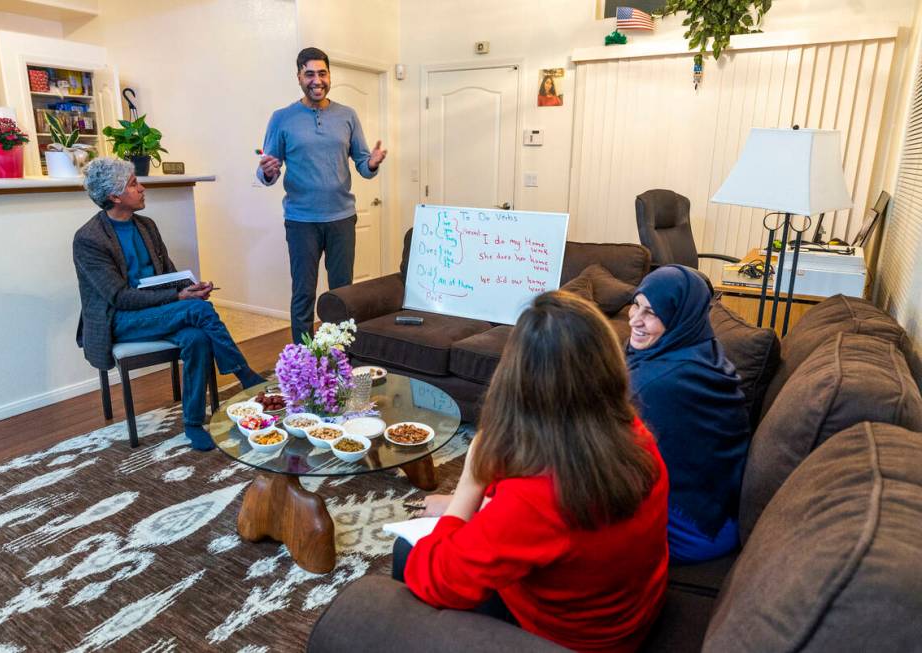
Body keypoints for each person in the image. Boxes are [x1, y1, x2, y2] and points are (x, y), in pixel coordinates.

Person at [395, 291, 669, 652]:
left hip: (573, 640)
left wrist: (469, 485)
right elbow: (539, 525)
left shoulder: (538, 497)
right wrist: (474, 508)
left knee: (408, 554)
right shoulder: (634, 434)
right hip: (631, 613)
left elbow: (436, 579)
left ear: (516, 378)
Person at [73, 157, 266, 451]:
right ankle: (244, 375)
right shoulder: (89, 239)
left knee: (198, 336)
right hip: (121, 319)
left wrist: (189, 287)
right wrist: (180, 298)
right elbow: (119, 297)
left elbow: (168, 275)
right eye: (134, 184)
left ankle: (192, 423)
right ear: (114, 196)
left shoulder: (146, 226)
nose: (142, 188)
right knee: (197, 310)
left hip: (157, 312)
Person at [257, 46, 388, 343]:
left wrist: (371, 163)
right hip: (301, 221)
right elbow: (268, 172)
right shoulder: (282, 118)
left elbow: (363, 165)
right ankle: (304, 360)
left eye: (322, 73)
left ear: (330, 75)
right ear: (299, 77)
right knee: (303, 292)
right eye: (309, 74)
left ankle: (340, 354)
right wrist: (268, 170)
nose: (317, 80)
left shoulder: (347, 115)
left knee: (343, 293)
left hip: (342, 218)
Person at [626, 265, 751, 563]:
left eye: (652, 313)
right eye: (636, 305)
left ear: (680, 318)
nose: (636, 320)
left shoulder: (655, 385)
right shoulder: (701, 347)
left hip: (693, 530)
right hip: (717, 511)